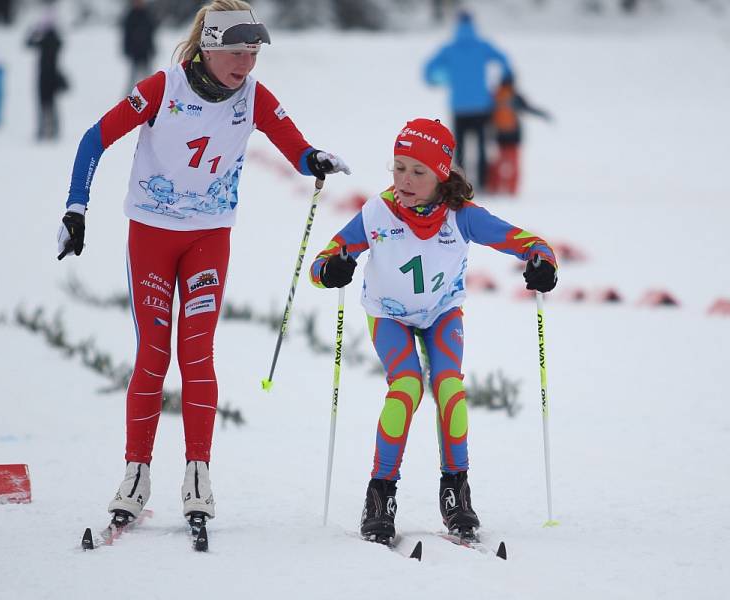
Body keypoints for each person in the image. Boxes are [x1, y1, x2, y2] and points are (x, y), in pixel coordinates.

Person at [56, 0, 350, 531]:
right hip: (151, 233)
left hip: (209, 239)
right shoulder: (162, 87)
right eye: (237, 50)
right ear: (210, 46)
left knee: (196, 354)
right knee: (152, 352)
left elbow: (295, 145)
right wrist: (76, 207)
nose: (247, 62)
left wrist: (315, 160)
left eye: (254, 50)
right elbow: (94, 138)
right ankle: (136, 472)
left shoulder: (254, 96)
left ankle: (197, 474)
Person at [309, 118, 557, 543]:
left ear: (441, 175)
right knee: (406, 387)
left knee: (449, 388)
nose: (404, 180)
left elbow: (528, 241)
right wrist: (332, 270)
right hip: (390, 315)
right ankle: (380, 495)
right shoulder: (377, 213)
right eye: (398, 167)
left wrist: (543, 262)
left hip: (441, 312)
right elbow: (321, 263)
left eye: (417, 171)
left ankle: (456, 491)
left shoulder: (460, 216)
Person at [424, 12, 512, 191]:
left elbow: (428, 69)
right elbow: (504, 61)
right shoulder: (482, 45)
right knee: (481, 146)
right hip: (481, 105)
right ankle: (483, 183)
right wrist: (503, 81)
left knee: (460, 148)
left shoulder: (450, 47)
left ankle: (460, 185)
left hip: (459, 106)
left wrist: (438, 80)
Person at [487, 73, 551, 195]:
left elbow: (487, 116)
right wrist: (544, 114)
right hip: (514, 137)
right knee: (514, 164)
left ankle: (495, 187)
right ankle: (512, 189)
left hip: (499, 137)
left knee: (498, 163)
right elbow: (529, 109)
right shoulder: (515, 97)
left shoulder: (495, 96)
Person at [26, 8, 68, 141]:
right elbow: (28, 44)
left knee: (46, 104)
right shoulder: (52, 38)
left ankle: (47, 130)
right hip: (48, 76)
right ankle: (50, 130)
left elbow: (29, 43)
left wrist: (35, 32)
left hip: (47, 76)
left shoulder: (49, 39)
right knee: (49, 104)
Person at [121, 0, 157, 92]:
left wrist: (152, 48)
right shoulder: (130, 16)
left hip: (146, 52)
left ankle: (151, 95)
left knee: (149, 78)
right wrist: (127, 49)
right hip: (135, 53)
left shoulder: (147, 15)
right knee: (132, 78)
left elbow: (151, 34)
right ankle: (128, 98)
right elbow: (126, 35)